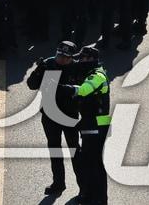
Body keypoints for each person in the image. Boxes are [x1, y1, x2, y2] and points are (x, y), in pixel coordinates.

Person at [27, 41, 83, 197]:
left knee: (75, 150)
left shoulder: (77, 68)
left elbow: (83, 92)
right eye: (59, 55)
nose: (61, 59)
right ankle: (58, 183)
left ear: (71, 57)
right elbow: (31, 84)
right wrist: (39, 71)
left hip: (69, 115)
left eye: (65, 57)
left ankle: (83, 187)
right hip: (50, 115)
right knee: (55, 150)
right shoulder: (48, 64)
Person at [67, 45, 111, 205]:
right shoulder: (88, 73)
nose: (80, 61)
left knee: (94, 163)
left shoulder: (97, 75)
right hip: (89, 123)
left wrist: (68, 89)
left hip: (97, 124)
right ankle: (90, 194)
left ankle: (99, 199)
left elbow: (85, 90)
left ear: (91, 59)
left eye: (82, 58)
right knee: (88, 161)